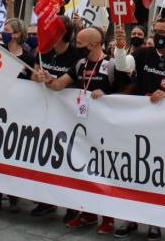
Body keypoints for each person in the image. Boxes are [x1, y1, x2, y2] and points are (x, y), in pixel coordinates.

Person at [113, 18, 165, 240]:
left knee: (157, 175)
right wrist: (120, 47)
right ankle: (130, 219)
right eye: (154, 31)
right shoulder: (143, 54)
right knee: (133, 172)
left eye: (162, 32)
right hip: (139, 123)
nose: (157, 35)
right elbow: (122, 65)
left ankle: (154, 223)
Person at [36, 27, 115, 234]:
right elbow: (60, 85)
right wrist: (48, 79)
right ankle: (87, 213)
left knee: (104, 173)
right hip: (83, 127)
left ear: (93, 44)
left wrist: (107, 94)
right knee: (83, 171)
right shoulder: (80, 64)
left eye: (79, 44)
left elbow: (128, 89)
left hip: (107, 129)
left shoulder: (110, 64)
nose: (75, 47)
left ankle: (108, 217)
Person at [29, 15, 81, 220]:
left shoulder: (76, 56)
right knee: (44, 156)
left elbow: (61, 84)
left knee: (66, 158)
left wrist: (49, 79)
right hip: (43, 113)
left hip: (67, 117)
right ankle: (46, 201)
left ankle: (71, 206)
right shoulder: (44, 51)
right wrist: (38, 76)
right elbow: (32, 74)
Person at [0, 18, 35, 213]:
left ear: (17, 34)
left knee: (13, 155)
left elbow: (33, 82)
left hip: (18, 115)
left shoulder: (29, 58)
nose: (3, 33)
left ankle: (14, 195)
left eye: (7, 30)